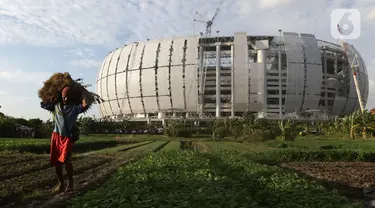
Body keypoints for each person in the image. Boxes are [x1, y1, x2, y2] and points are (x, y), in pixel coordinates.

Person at [40, 86, 87, 193]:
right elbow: (43, 104)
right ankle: (61, 183)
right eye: (64, 97)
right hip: (56, 136)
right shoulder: (56, 106)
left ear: (72, 98)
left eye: (67, 97)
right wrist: (50, 94)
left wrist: (84, 95)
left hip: (67, 138)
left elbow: (84, 105)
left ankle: (70, 182)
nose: (65, 99)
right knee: (57, 162)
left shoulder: (75, 108)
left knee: (67, 160)